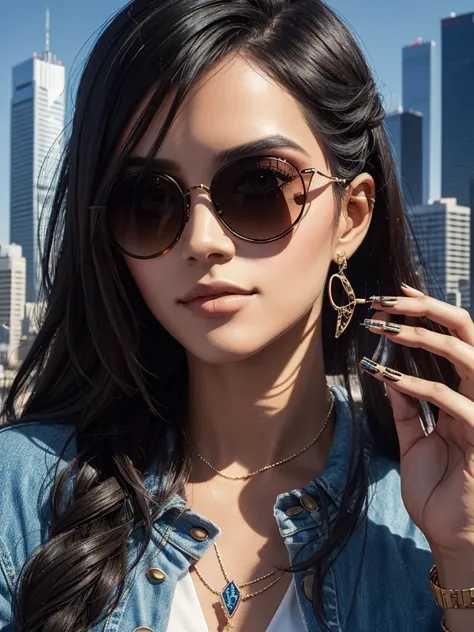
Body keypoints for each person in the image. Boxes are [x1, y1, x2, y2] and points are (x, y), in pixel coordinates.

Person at [2, 0, 474, 630]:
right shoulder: (22, 498)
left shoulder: (429, 507)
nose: (202, 240)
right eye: (148, 200)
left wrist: (462, 559)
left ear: (351, 217)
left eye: (257, 187)